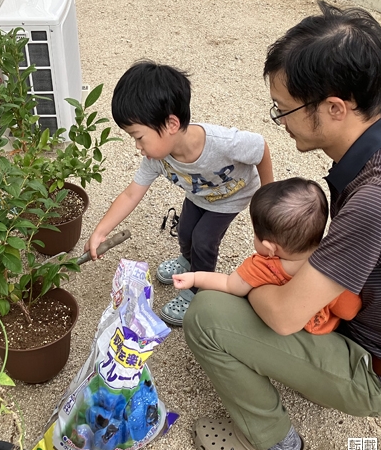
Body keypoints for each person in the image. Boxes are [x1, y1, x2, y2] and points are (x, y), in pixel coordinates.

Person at [183, 1, 381, 450]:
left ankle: (270, 440)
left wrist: (250, 280)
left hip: (380, 369)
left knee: (207, 313)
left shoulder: (378, 201)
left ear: (333, 108)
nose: (280, 121)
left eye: (283, 109)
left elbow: (285, 318)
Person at [84, 60, 273, 326]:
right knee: (185, 232)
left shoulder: (223, 143)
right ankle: (187, 261)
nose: (137, 146)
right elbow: (131, 194)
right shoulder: (156, 158)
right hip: (198, 195)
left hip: (231, 196)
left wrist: (268, 196)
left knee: (204, 240)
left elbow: (260, 148)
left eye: (139, 136)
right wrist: (101, 231)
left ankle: (196, 292)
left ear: (171, 123)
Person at [173, 177, 361, 335]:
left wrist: (195, 277)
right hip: (323, 333)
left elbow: (230, 285)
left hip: (279, 329)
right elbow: (349, 310)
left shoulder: (261, 266)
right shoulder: (331, 261)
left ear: (270, 248)